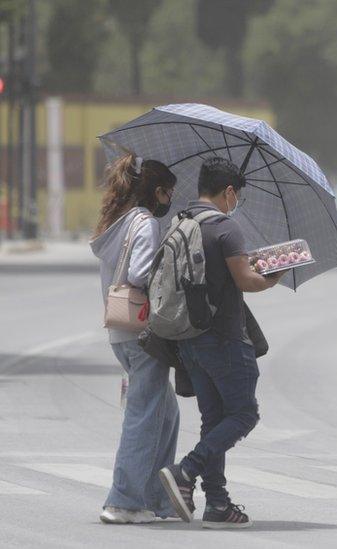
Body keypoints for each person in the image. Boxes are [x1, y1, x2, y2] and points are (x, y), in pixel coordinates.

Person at [159, 158, 285, 529]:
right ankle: (187, 470)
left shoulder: (181, 222)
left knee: (214, 420)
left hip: (188, 339)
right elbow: (246, 281)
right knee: (244, 414)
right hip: (226, 339)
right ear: (229, 192)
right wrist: (273, 274)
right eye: (237, 195)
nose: (236, 202)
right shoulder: (226, 227)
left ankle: (217, 503)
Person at [90, 153, 179, 524]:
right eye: (169, 193)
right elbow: (141, 274)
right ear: (157, 192)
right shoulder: (144, 224)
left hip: (120, 332)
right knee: (144, 415)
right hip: (142, 332)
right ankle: (124, 501)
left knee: (166, 414)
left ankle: (156, 499)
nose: (170, 200)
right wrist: (171, 261)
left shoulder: (118, 220)